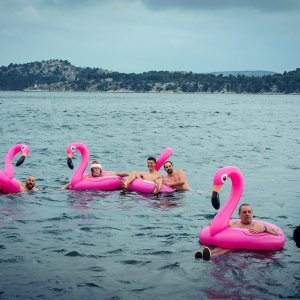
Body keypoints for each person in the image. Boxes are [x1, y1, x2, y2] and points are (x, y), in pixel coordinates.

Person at [195, 203, 279, 261]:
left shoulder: (257, 225)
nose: (247, 214)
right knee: (227, 247)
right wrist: (213, 223)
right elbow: (216, 224)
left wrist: (265, 228)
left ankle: (210, 254)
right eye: (244, 212)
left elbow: (276, 234)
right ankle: (207, 255)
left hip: (242, 250)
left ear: (252, 214)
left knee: (228, 248)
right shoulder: (233, 223)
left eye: (249, 212)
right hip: (232, 244)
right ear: (239, 214)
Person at [62, 160, 128, 189]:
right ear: (92, 170)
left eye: (98, 168)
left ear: (100, 170)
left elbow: (118, 174)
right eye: (95, 168)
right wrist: (64, 187)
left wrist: (128, 174)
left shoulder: (106, 175)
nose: (96, 169)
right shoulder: (87, 178)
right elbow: (73, 183)